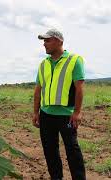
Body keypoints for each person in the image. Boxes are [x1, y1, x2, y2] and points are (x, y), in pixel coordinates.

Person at [32, 28, 86, 180]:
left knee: (72, 151)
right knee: (50, 151)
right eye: (44, 41)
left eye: (47, 40)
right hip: (46, 115)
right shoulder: (43, 64)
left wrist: (77, 112)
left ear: (59, 41)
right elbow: (38, 90)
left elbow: (79, 88)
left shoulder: (74, 60)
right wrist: (36, 112)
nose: (44, 44)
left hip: (67, 116)